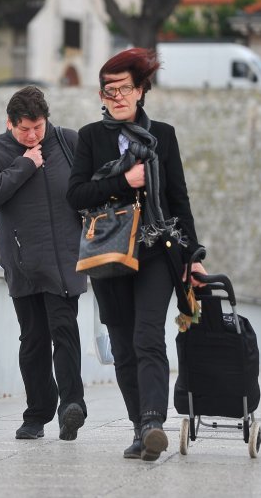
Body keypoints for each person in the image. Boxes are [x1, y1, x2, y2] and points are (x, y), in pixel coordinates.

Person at [66, 48, 207, 462]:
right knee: (124, 346)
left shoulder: (164, 135)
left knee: (148, 336)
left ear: (141, 89)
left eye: (125, 88)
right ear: (102, 95)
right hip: (109, 251)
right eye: (110, 91)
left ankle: (153, 423)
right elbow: (75, 195)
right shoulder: (90, 137)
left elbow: (178, 199)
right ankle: (137, 428)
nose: (118, 96)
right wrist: (124, 181)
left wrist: (193, 256)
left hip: (156, 250)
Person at [0, 86, 88, 441]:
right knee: (34, 340)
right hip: (22, 262)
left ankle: (72, 406)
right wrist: (25, 164)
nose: (32, 135)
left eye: (38, 127)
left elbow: (90, 190)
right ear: (9, 124)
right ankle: (37, 414)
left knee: (65, 331)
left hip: (65, 259)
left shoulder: (68, 142)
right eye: (24, 129)